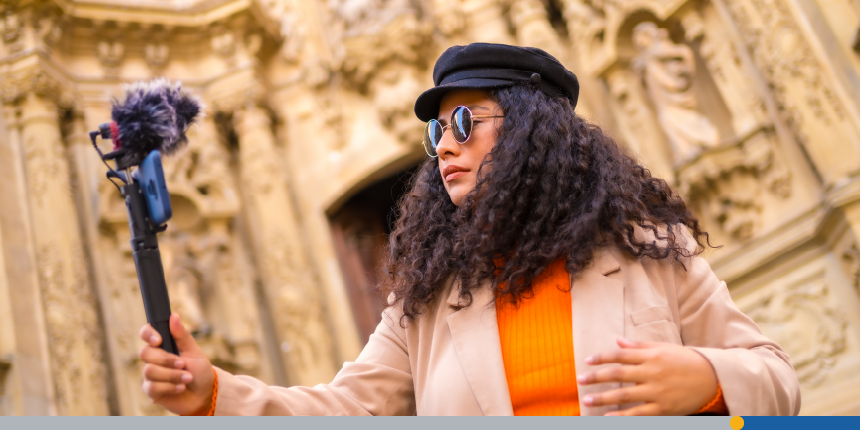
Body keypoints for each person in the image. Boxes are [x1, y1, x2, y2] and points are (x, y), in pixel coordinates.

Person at [138, 43, 801, 416]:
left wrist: (704, 377)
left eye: (464, 123)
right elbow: (346, 410)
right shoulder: (425, 302)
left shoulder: (651, 251)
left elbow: (778, 381)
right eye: (436, 131)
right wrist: (216, 390)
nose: (444, 148)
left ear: (533, 131)